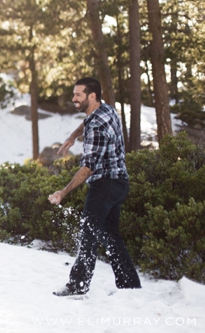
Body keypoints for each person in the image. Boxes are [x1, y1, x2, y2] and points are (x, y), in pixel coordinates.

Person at [48, 77, 141, 296]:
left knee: (88, 232)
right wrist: (72, 136)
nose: (74, 99)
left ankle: (78, 285)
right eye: (74, 94)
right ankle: (130, 285)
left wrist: (63, 191)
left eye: (78, 95)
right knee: (110, 235)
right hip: (119, 183)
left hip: (105, 185)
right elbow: (87, 121)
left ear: (91, 96)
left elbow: (88, 167)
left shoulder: (97, 129)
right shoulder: (105, 110)